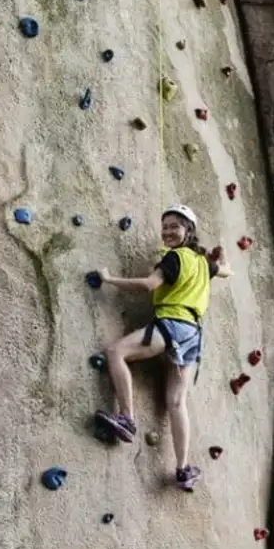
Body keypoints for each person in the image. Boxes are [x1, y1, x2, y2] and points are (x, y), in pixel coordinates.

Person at [94, 203, 230, 491]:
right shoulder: (204, 263)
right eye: (165, 227)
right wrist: (222, 255)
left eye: (174, 227)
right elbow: (226, 271)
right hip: (193, 335)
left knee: (116, 352)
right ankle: (182, 469)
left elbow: (149, 285)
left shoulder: (175, 258)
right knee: (177, 402)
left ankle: (127, 418)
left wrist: (109, 279)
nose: (167, 232)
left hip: (172, 324)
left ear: (188, 231)